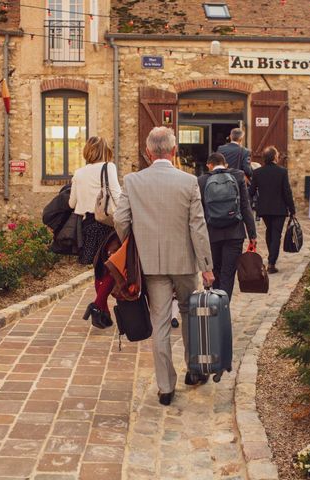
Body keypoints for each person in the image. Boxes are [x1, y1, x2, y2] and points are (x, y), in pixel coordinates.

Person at [114, 127, 214, 406]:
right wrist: (206, 266)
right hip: (184, 262)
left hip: (151, 264)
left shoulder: (133, 181)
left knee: (159, 323)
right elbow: (198, 226)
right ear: (173, 152)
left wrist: (133, 245)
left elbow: (120, 220)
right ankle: (194, 372)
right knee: (189, 314)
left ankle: (165, 387)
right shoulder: (189, 181)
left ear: (148, 153)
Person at [68, 137, 121, 328]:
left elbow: (72, 204)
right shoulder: (109, 167)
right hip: (106, 224)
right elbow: (116, 194)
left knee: (99, 269)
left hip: (87, 225)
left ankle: (103, 314)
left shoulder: (79, 173)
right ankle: (97, 305)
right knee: (113, 267)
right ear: (105, 151)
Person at [198, 152, 257, 300]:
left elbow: (199, 212)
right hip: (234, 233)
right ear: (225, 164)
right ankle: (224, 306)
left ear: (209, 165)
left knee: (215, 270)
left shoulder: (201, 181)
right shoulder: (238, 176)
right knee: (228, 273)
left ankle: (216, 305)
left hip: (211, 233)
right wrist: (252, 235)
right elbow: (245, 206)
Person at [249, 146, 296, 274]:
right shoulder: (282, 172)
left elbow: (251, 191)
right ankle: (271, 263)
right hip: (279, 209)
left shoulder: (258, 172)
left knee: (269, 231)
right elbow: (287, 192)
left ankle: (271, 258)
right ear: (275, 157)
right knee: (276, 234)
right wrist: (292, 209)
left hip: (264, 208)